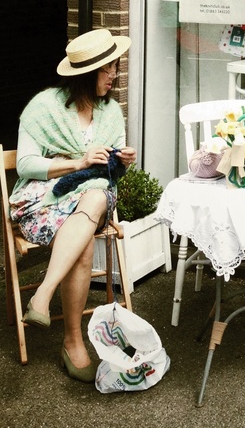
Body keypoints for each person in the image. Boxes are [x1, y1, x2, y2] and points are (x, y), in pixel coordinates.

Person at [9, 28, 137, 383]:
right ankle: (72, 340)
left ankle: (43, 294)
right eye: (107, 70)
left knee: (96, 195)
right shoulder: (43, 107)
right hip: (44, 198)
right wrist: (76, 163)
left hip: (93, 195)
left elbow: (108, 172)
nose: (114, 76)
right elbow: (25, 165)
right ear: (85, 74)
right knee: (81, 248)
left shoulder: (111, 112)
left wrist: (121, 162)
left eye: (116, 68)